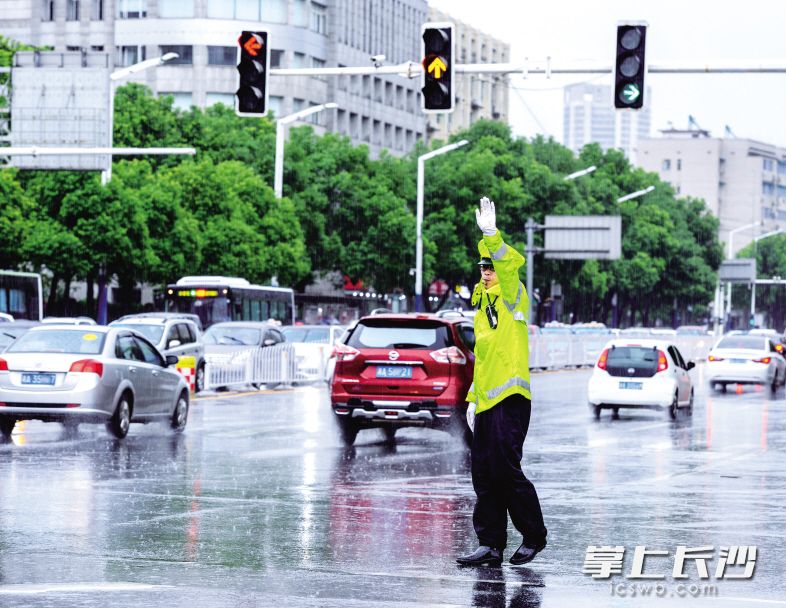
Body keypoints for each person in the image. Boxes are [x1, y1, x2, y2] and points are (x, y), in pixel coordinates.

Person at [456, 196, 547, 568]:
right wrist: (473, 400)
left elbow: (509, 266)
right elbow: (484, 362)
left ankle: (534, 536)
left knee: (507, 471)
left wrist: (492, 236)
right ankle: (490, 544)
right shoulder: (482, 308)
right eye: (482, 267)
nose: (486, 271)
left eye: (490, 267)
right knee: (484, 474)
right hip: (489, 403)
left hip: (511, 399)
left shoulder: (513, 297)